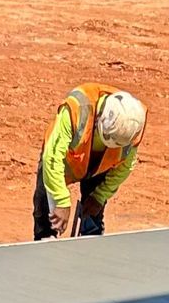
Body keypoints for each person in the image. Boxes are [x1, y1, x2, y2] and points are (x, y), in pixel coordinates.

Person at [34, 85, 147, 240]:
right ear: (100, 118)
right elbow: (52, 157)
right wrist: (60, 200)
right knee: (46, 212)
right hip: (64, 161)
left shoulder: (132, 125)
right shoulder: (76, 109)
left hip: (100, 165)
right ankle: (45, 238)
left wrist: (99, 196)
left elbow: (125, 166)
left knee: (93, 214)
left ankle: (92, 238)